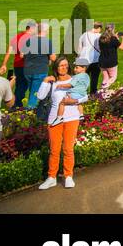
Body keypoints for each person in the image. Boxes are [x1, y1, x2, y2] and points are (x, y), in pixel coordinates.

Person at [38, 58, 89, 190]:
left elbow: (85, 96)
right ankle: (51, 178)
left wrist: (73, 101)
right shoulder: (51, 82)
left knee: (68, 149)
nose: (64, 68)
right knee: (54, 150)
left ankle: (68, 176)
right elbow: (40, 96)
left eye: (66, 65)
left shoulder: (75, 79)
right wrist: (45, 81)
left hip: (72, 118)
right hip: (54, 119)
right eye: (61, 66)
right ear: (56, 67)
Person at [0, 19, 32, 110]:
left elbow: (8, 52)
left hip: (17, 65)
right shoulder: (29, 38)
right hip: (26, 65)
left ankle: (16, 106)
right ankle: (18, 106)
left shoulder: (16, 37)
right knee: (24, 86)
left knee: (19, 85)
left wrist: (4, 64)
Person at [21, 20, 55, 109]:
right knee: (35, 94)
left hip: (27, 70)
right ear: (44, 31)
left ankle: (34, 109)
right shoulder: (47, 41)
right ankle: (31, 114)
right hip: (40, 70)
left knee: (32, 91)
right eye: (47, 30)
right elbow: (53, 58)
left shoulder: (29, 40)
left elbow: (22, 55)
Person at [75, 21, 102, 95]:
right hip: (96, 59)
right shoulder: (100, 36)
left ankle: (82, 94)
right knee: (94, 78)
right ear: (99, 28)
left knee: (83, 79)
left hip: (83, 60)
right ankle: (93, 95)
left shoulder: (84, 35)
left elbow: (79, 49)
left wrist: (78, 58)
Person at [96, 24, 123, 91]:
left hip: (102, 61)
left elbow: (106, 46)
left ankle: (103, 91)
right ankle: (104, 87)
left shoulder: (101, 38)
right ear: (113, 30)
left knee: (105, 78)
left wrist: (115, 37)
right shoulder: (113, 39)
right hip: (111, 62)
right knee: (113, 78)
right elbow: (121, 47)